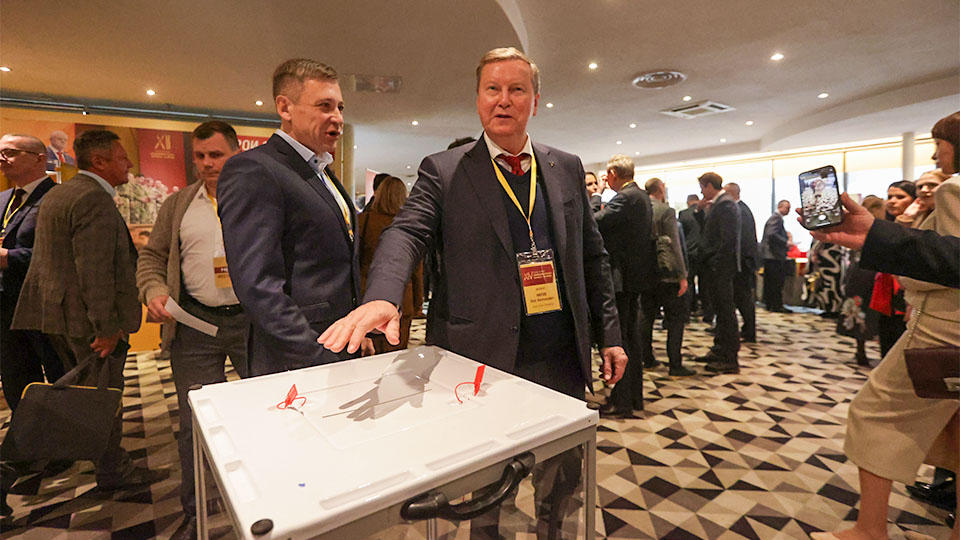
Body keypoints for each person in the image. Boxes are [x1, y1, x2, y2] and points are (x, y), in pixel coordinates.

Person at [317, 47, 627, 539]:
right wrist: (383, 295)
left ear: (534, 100)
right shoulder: (445, 170)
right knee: (484, 487)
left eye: (516, 89)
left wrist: (610, 334)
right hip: (479, 359)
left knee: (561, 479)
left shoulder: (565, 166)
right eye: (492, 89)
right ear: (478, 99)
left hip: (559, 357)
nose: (504, 100)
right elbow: (407, 232)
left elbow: (593, 257)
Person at [811, 110, 960, 540]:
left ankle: (869, 528)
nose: (935, 156)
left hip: (943, 328)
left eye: (940, 145)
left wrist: (883, 241)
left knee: (875, 413)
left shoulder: (955, 189)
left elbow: (945, 266)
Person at [12, 129, 167, 492]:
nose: (129, 163)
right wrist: (106, 328)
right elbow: (95, 272)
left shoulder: (62, 192)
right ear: (99, 161)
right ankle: (113, 471)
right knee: (103, 397)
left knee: (81, 395)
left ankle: (96, 462)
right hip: (87, 324)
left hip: (57, 316)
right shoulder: (94, 199)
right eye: (122, 157)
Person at [135, 121, 250, 540]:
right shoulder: (179, 204)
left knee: (267, 410)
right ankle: (196, 510)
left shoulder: (258, 198)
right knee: (195, 421)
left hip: (253, 322)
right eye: (199, 156)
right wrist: (154, 290)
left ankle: (263, 499)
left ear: (236, 154)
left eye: (215, 155)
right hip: (195, 325)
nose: (206, 164)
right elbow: (152, 257)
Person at [216, 58, 363, 376]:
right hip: (297, 359)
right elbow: (258, 286)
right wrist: (314, 355)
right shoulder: (254, 169)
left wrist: (355, 332)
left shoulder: (321, 172)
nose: (337, 118)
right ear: (285, 108)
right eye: (325, 106)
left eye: (340, 107)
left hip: (337, 347)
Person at [0, 134, 64, 412]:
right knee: (16, 381)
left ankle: (64, 437)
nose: (2, 159)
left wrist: (9, 258)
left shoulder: (59, 198)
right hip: (5, 308)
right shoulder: (3, 199)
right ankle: (27, 435)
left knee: (62, 379)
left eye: (10, 152)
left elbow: (62, 253)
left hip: (45, 307)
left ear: (39, 158)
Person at [592, 155, 654, 417]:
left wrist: (597, 195)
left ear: (613, 173)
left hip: (622, 279)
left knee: (621, 341)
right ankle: (632, 398)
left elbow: (594, 221)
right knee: (631, 339)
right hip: (634, 277)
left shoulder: (626, 197)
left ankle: (622, 400)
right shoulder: (641, 196)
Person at [357, 176, 423, 352]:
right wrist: (418, 302)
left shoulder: (364, 221)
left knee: (368, 355)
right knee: (396, 352)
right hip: (403, 298)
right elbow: (416, 270)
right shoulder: (409, 227)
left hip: (367, 294)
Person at [641, 177, 695, 376]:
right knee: (675, 319)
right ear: (660, 189)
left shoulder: (640, 209)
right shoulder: (666, 211)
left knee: (646, 317)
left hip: (645, 274)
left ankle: (646, 358)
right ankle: (675, 364)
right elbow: (674, 245)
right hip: (667, 273)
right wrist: (682, 275)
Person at [692, 172, 740, 374]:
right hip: (716, 267)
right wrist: (700, 211)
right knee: (720, 311)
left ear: (709, 186)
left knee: (725, 312)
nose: (702, 192)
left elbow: (727, 240)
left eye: (702, 188)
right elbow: (709, 232)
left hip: (721, 268)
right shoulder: (718, 204)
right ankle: (719, 350)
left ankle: (729, 357)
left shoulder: (726, 204)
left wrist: (716, 264)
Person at [872, 180, 916, 356]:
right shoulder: (884, 224)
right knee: (887, 338)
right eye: (890, 197)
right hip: (887, 288)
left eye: (900, 197)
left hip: (908, 290)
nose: (892, 201)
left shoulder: (921, 225)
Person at [725, 183, 759, 342]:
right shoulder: (741, 209)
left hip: (743, 263)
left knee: (743, 298)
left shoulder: (740, 211)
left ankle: (749, 331)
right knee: (741, 298)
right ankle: (747, 329)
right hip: (743, 262)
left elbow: (742, 241)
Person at [760, 200, 792, 312]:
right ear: (780, 207)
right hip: (773, 255)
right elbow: (771, 234)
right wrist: (786, 242)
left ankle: (770, 305)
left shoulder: (775, 218)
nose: (788, 211)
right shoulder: (776, 218)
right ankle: (776, 305)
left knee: (770, 282)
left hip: (770, 255)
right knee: (776, 282)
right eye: (787, 208)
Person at [678, 194, 706, 316]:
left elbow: (680, 235)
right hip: (703, 252)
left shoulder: (683, 214)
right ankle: (706, 311)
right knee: (704, 283)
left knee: (688, 281)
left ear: (688, 202)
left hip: (689, 252)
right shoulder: (705, 213)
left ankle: (688, 308)